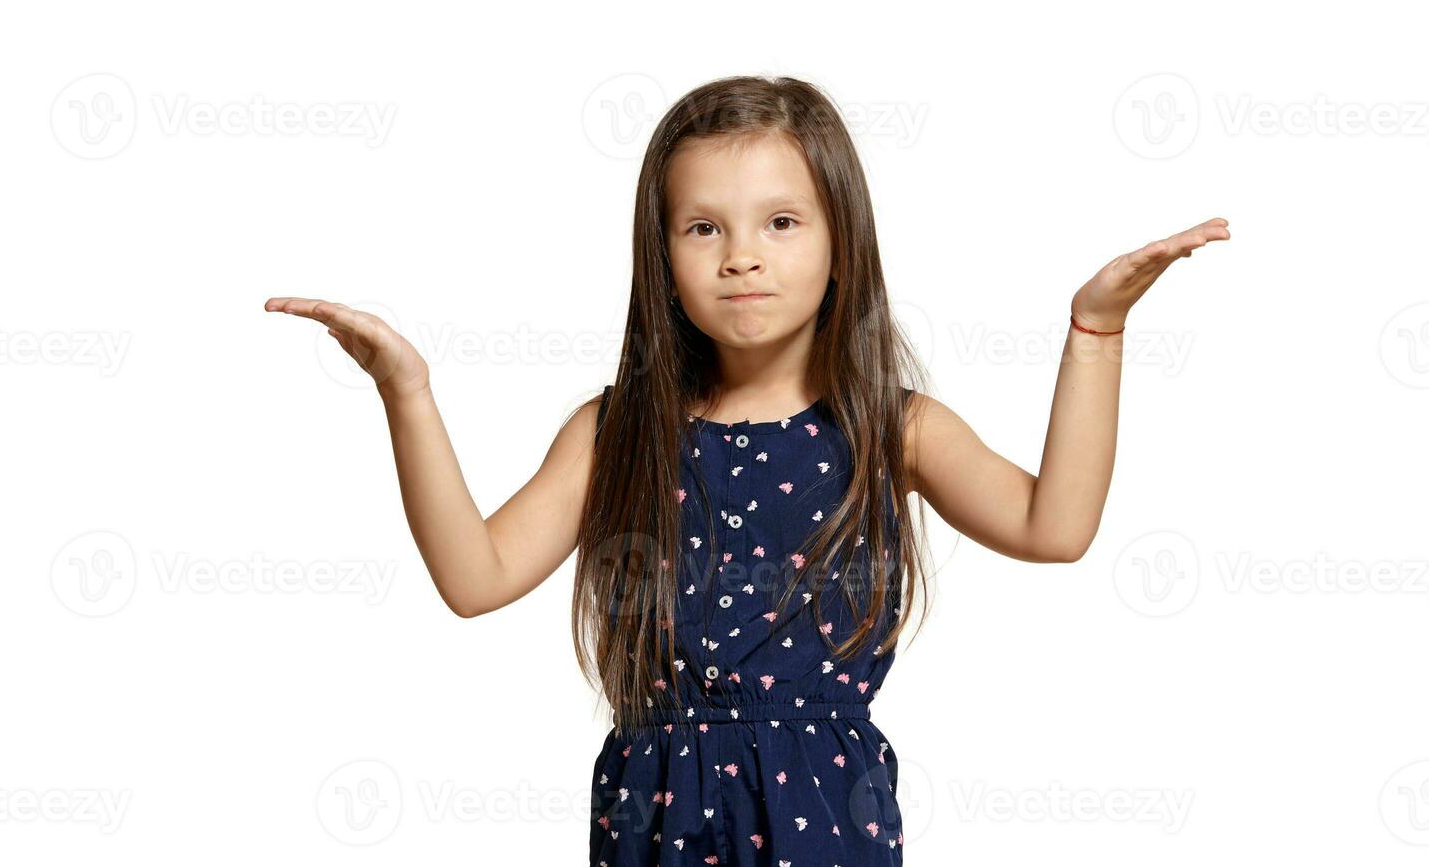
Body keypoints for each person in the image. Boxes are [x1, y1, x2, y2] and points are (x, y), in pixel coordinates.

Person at [263, 75, 1230, 864]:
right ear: (662, 257)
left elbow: (1052, 527)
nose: (741, 259)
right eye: (703, 228)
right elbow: (474, 579)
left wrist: (1096, 333)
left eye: (780, 222)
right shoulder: (619, 432)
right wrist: (408, 393)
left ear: (841, 241)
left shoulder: (891, 427)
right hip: (653, 807)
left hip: (827, 812)